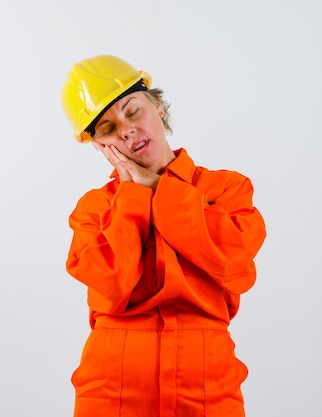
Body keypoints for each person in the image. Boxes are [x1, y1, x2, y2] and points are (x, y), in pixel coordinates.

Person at [60, 54, 267, 417]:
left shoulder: (226, 189)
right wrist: (134, 197)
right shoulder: (94, 209)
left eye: (132, 110)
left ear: (157, 105)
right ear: (98, 145)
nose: (126, 130)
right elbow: (111, 283)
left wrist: (158, 187)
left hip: (208, 387)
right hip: (112, 390)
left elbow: (233, 260)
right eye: (108, 129)